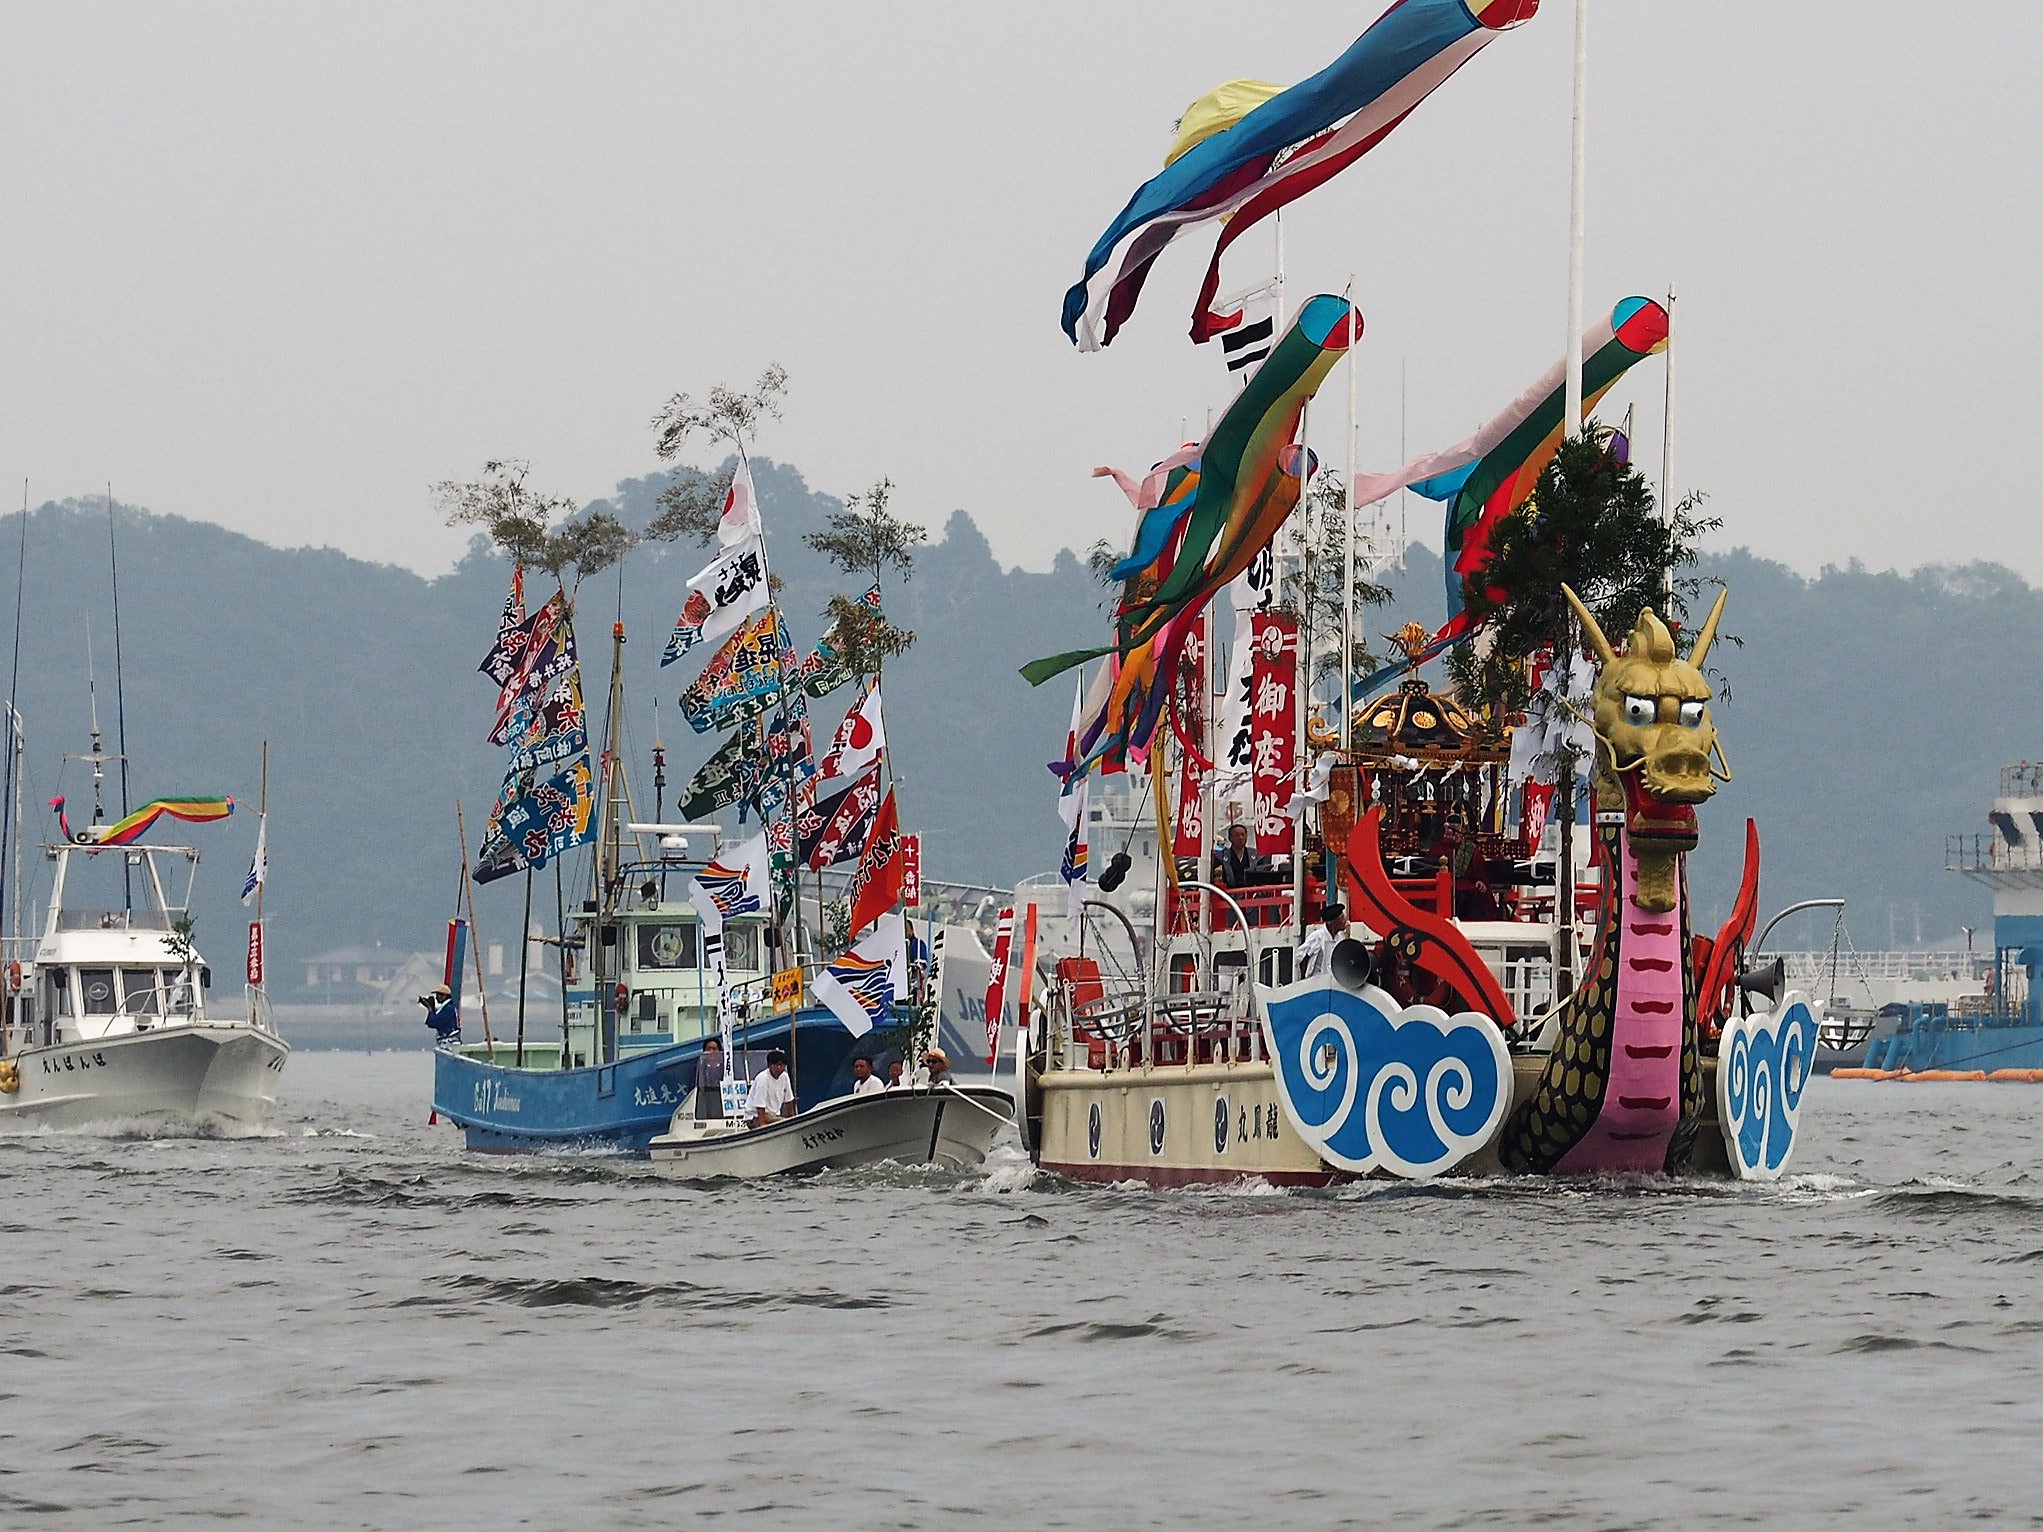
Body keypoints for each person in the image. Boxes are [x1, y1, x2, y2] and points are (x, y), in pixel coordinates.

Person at [746, 1048, 797, 1128]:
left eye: (782, 1065)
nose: (779, 1068)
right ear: (770, 1065)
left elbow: (789, 1101)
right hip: (755, 1117)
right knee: (782, 1122)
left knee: (784, 1122)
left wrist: (793, 1120)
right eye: (777, 1065)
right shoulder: (762, 1078)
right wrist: (763, 1126)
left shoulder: (785, 1077)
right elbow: (759, 1106)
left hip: (773, 1116)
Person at [1297, 903, 1350, 979]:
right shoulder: (1317, 937)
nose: (1345, 921)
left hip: (1333, 981)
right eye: (1342, 918)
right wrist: (1303, 980)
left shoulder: (1341, 937)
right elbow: (1302, 958)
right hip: (1316, 981)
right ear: (1334, 922)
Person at [694, 1036, 727, 1121]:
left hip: (722, 1102)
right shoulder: (699, 1068)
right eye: (709, 1049)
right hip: (706, 1102)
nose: (711, 1052)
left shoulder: (726, 1068)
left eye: (714, 1049)